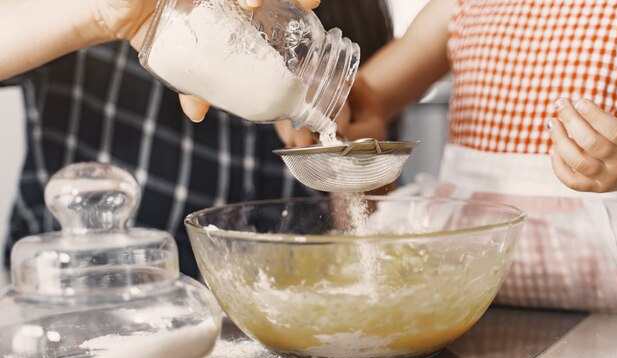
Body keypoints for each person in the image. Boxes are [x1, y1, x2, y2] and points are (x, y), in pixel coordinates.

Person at [0, 0, 395, 276]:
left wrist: (354, 163)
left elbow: (365, 236)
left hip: (284, 320)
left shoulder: (347, 16)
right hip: (82, 304)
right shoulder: (135, 20)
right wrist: (101, 13)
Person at [281, 0, 617, 313]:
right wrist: (314, 102)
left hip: (605, 269)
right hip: (459, 275)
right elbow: (361, 100)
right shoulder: (460, 5)